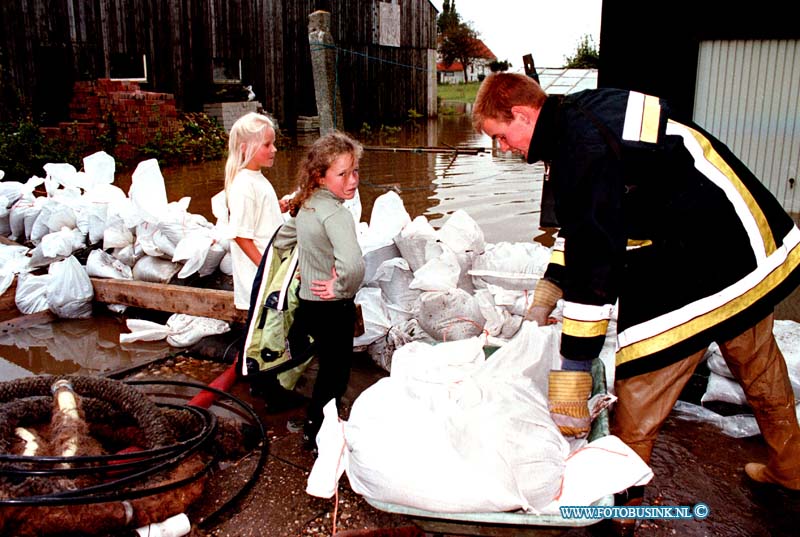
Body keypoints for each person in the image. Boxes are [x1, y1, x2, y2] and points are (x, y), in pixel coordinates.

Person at [471, 72, 800, 502]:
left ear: (521, 114)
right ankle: (792, 467)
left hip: (702, 247)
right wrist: (552, 285)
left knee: (642, 381)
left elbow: (595, 267)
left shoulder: (578, 149)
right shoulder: (578, 114)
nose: (503, 148)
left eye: (500, 136)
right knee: (756, 359)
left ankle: (620, 507)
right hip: (742, 233)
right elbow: (588, 221)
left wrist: (574, 374)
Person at [273, 131, 365, 451]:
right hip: (332, 306)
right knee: (335, 375)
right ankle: (316, 435)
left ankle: (287, 401)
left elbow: (282, 239)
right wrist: (341, 286)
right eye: (342, 174)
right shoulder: (337, 214)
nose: (352, 180)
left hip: (308, 302)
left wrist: (296, 269)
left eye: (355, 171)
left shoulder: (307, 204)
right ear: (320, 177)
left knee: (317, 360)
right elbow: (353, 266)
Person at [224, 112, 285, 312]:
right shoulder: (243, 185)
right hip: (259, 283)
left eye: (273, 144)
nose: (273, 150)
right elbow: (241, 236)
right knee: (262, 338)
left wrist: (277, 207)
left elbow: (257, 215)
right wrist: (267, 269)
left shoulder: (256, 178)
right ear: (245, 148)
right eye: (267, 145)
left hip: (270, 277)